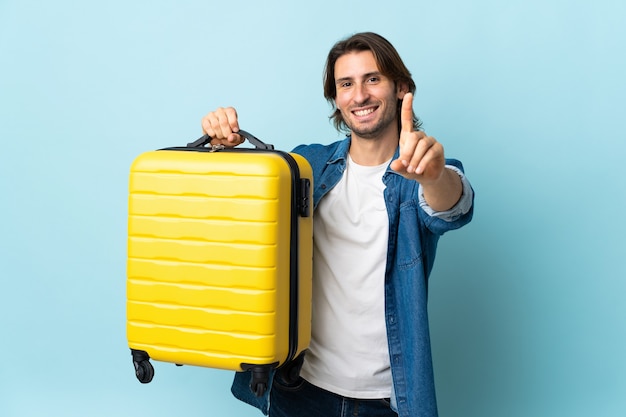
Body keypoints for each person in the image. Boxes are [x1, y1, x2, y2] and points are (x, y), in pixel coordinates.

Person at [201, 32, 474, 417]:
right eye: (346, 84)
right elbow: (235, 215)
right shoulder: (305, 165)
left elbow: (452, 207)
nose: (359, 95)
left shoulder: (422, 173)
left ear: (400, 88)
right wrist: (221, 150)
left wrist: (431, 177)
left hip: (384, 399)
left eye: (373, 79)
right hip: (299, 389)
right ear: (336, 98)